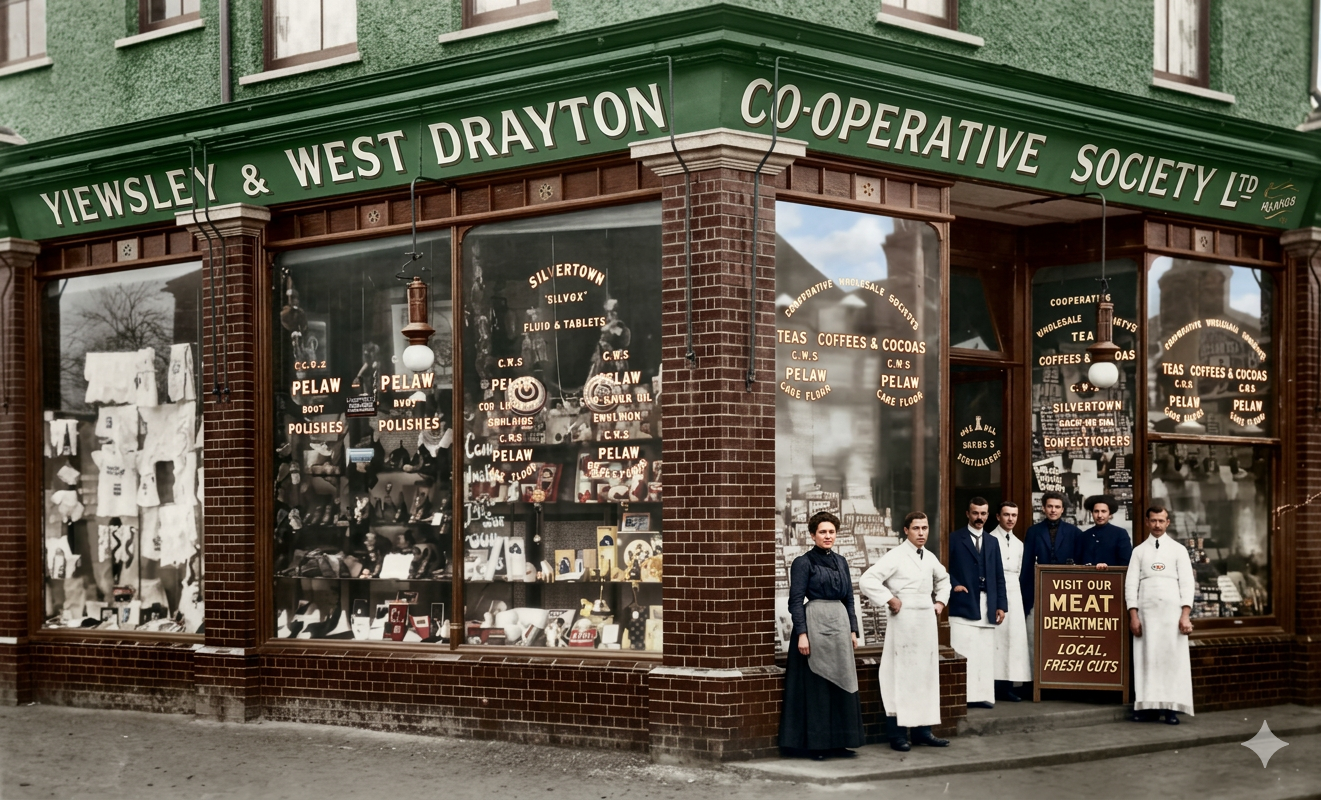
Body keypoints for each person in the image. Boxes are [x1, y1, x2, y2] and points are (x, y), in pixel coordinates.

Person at [860, 512, 951, 752]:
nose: (921, 533)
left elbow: (944, 581)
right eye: (916, 528)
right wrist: (890, 599)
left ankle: (923, 732)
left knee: (924, 676)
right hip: (903, 624)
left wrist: (940, 603)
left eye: (925, 527)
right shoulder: (896, 556)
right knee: (900, 677)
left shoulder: (930, 557)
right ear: (906, 530)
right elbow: (867, 580)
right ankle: (897, 735)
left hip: (926, 623)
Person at [778, 511, 864, 760]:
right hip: (814, 624)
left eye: (831, 532)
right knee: (817, 685)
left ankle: (840, 742)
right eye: (823, 532)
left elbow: (849, 599)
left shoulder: (841, 561)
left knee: (841, 682)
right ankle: (816, 745)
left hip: (839, 626)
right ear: (813, 535)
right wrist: (802, 634)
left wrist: (852, 629)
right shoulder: (803, 563)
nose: (828, 536)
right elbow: (795, 601)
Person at [1126, 506, 1195, 725]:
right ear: (1147, 522)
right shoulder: (1139, 551)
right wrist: (1133, 615)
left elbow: (1187, 584)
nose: (1157, 525)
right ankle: (1149, 707)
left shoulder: (1178, 550)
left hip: (1171, 616)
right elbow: (1130, 585)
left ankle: (1171, 708)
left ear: (1168, 523)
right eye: (1153, 520)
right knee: (1147, 659)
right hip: (1147, 615)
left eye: (1161, 521)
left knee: (1171, 660)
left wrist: (1185, 615)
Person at [946, 497, 1007, 709]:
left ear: (988, 515)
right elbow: (943, 568)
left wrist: (1001, 605)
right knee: (964, 650)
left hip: (987, 603)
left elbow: (999, 575)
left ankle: (982, 695)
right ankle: (963, 695)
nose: (979, 518)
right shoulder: (954, 539)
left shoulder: (992, 542)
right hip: (964, 603)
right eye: (975, 513)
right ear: (967, 514)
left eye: (983, 514)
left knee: (984, 652)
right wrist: (954, 585)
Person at [1021, 490, 1082, 685]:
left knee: (1064, 637)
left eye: (1057, 507)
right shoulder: (1033, 531)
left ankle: (1063, 680)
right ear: (1043, 508)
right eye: (1049, 506)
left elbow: (1080, 564)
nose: (1053, 510)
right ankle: (1038, 680)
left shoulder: (1074, 533)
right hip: (1040, 592)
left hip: (1066, 592)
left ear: (1063, 509)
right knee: (1038, 636)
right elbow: (1027, 563)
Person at [988, 501, 1030, 702]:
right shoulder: (989, 540)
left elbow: (1020, 571)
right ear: (998, 516)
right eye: (1006, 515)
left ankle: (1007, 687)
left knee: (1012, 641)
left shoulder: (1019, 544)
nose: (1010, 519)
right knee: (994, 640)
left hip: (1014, 593)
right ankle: (990, 687)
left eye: (1014, 515)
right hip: (994, 591)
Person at [1079, 495, 1133, 570]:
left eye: (1103, 511)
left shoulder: (1120, 534)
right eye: (1096, 511)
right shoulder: (1084, 536)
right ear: (1092, 513)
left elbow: (1126, 562)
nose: (1099, 515)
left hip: (1112, 578)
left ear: (1110, 514)